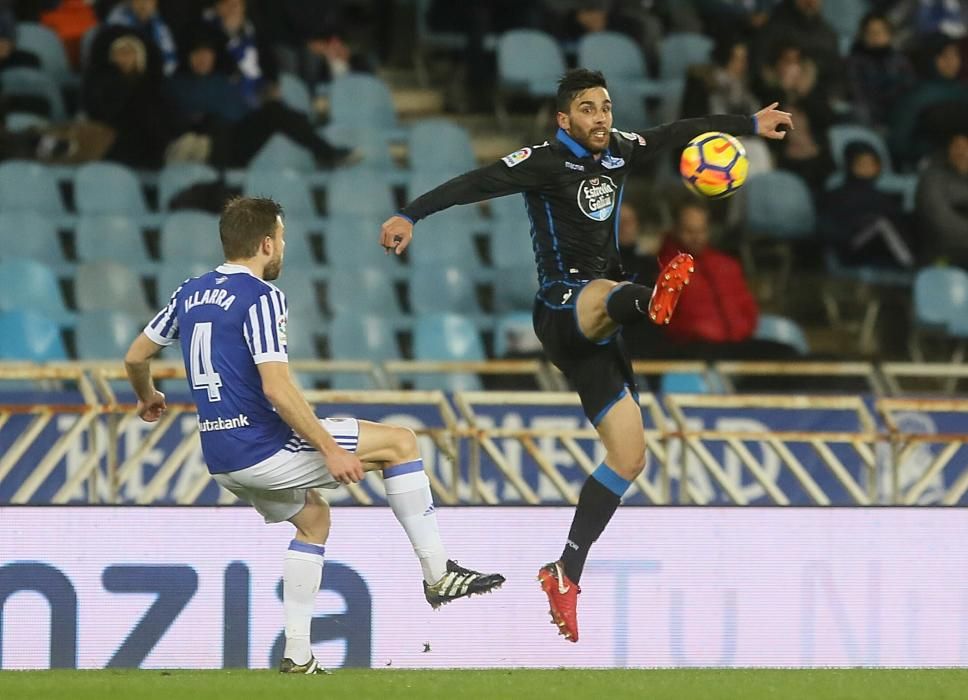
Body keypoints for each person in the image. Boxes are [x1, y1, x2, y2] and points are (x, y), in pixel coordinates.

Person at [379, 68, 792, 643]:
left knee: (629, 457)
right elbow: (476, 182)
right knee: (606, 291)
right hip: (563, 305)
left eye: (605, 106)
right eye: (588, 109)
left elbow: (679, 129)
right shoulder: (544, 160)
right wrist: (411, 214)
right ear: (564, 118)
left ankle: (565, 571)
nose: (601, 117)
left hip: (600, 329)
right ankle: (651, 300)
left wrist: (748, 123)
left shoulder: (620, 150)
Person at [124, 197, 504, 674]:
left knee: (313, 521)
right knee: (400, 443)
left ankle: (298, 655)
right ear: (266, 243)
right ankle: (438, 574)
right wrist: (328, 449)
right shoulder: (261, 296)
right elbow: (277, 387)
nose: (283, 246)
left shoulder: (190, 292)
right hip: (263, 448)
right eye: (281, 238)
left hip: (221, 459)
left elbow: (136, 356)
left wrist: (147, 396)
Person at [656, 200, 800, 359]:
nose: (696, 237)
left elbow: (748, 308)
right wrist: (696, 332)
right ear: (676, 230)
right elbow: (664, 321)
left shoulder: (726, 265)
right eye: (689, 231)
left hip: (735, 344)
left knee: (787, 353)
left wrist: (740, 331)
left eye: (701, 231)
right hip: (694, 348)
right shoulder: (664, 268)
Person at [820, 141, 915, 269]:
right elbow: (831, 229)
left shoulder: (882, 196)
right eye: (862, 164)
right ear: (850, 165)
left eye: (872, 164)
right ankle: (910, 266)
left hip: (879, 250)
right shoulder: (836, 194)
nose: (868, 168)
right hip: (849, 247)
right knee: (881, 224)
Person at [846, 12, 917, 130]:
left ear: (889, 34)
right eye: (870, 32)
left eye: (880, 32)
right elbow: (856, 92)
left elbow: (910, 88)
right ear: (863, 36)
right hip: (870, 113)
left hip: (898, 111)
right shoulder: (855, 62)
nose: (876, 37)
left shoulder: (900, 60)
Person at [916, 131, 968, 267]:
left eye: (966, 146)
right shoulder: (932, 177)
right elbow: (939, 220)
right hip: (942, 251)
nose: (961, 152)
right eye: (957, 146)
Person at [106, 0, 178, 75]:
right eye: (139, 1)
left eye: (148, 1)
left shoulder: (158, 22)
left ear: (155, 3)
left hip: (151, 76)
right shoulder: (117, 21)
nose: (143, 5)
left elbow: (170, 60)